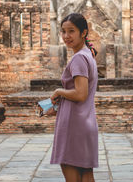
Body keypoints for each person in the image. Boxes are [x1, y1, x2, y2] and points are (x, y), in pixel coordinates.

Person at [50, 13, 99, 182]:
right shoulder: (88, 55)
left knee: (73, 175)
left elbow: (80, 94)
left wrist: (58, 92)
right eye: (63, 31)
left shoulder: (79, 58)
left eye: (71, 31)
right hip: (85, 121)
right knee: (85, 175)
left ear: (83, 32)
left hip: (74, 125)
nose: (66, 36)